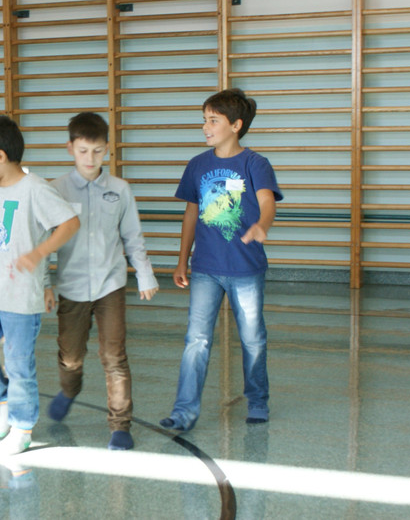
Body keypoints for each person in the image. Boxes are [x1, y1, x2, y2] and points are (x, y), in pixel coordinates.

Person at [160, 88, 282, 432]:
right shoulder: (198, 165)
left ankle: (257, 401)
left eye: (213, 120)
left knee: (252, 338)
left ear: (236, 125)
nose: (205, 127)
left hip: (245, 269)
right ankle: (184, 411)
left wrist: (262, 224)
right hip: (205, 269)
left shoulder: (255, 164)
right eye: (204, 120)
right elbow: (191, 214)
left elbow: (268, 202)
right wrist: (182, 260)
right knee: (196, 340)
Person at [0, 115, 80, 454]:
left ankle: (23, 426)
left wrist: (39, 253)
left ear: (0, 156)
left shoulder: (36, 189)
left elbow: (70, 223)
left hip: (20, 298)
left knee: (18, 364)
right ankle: (2, 399)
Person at [47, 112, 159, 451]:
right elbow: (43, 241)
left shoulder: (120, 190)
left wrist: (145, 273)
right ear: (70, 148)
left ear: (107, 150)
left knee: (114, 356)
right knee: (71, 357)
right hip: (72, 287)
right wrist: (44, 283)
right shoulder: (55, 190)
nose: (90, 158)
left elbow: (132, 236)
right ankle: (70, 389)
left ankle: (120, 424)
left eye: (97, 151)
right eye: (83, 151)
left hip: (111, 285)